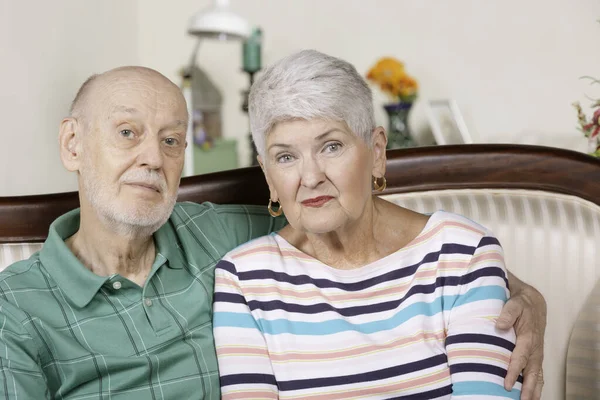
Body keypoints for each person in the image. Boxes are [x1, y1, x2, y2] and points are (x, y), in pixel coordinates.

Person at [0, 66, 543, 399]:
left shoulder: (219, 238)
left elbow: (356, 227)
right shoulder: (15, 308)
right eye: (127, 133)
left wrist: (511, 286)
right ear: (72, 143)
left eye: (171, 141)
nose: (152, 158)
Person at [213, 50, 543, 399]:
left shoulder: (463, 252)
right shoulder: (243, 279)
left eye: (331, 146)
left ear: (377, 151)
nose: (310, 177)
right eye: (285, 157)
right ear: (268, 174)